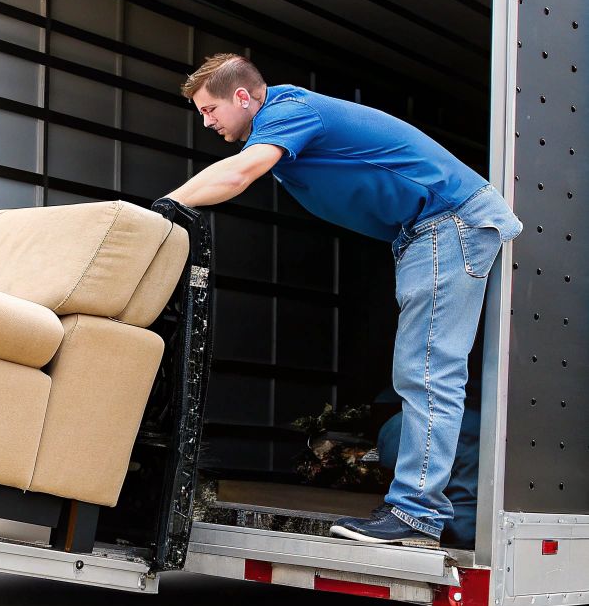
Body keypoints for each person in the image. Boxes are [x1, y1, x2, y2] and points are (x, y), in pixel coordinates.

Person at [159, 54, 520, 548]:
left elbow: (240, 174)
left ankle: (416, 513)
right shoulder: (287, 120)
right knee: (423, 370)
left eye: (210, 108)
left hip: (448, 221)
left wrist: (165, 209)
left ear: (243, 96)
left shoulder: (286, 111)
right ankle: (418, 508)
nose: (207, 121)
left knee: (428, 370)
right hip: (428, 229)